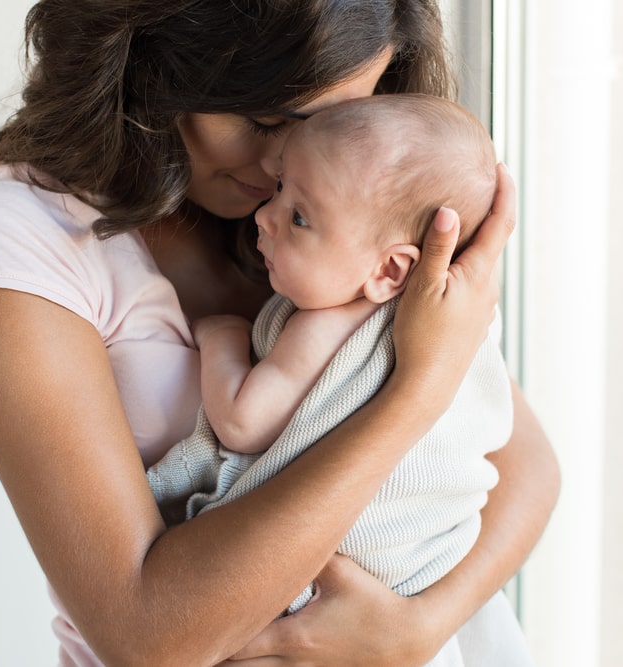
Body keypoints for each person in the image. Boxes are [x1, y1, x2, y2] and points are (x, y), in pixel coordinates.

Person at [0, 1, 560, 665]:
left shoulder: (355, 207)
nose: (282, 157)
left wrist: (419, 628)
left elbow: (527, 466)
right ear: (154, 56)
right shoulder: (12, 237)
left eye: (325, 122)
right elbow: (148, 636)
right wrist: (418, 390)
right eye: (260, 119)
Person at [147, 95, 517, 666]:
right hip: (422, 583)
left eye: (299, 217)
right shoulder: (463, 317)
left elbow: (243, 421)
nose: (264, 218)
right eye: (279, 193)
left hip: (340, 587)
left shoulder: (324, 325)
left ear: (390, 270)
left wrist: (221, 336)